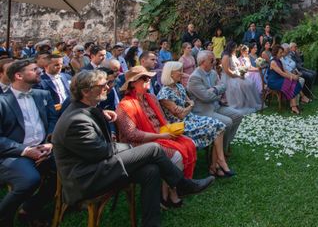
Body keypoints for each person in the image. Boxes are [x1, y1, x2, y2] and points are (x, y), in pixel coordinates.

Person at [52, 70, 214, 227]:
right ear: (86, 92)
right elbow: (101, 152)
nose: (108, 87)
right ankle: (183, 184)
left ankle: (152, 223)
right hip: (87, 179)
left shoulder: (85, 109)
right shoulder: (76, 120)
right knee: (153, 149)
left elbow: (95, 138)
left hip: (100, 168)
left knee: (151, 170)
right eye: (102, 86)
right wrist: (130, 147)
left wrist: (102, 113)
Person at [116, 66, 198, 207]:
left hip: (158, 135)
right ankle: (170, 193)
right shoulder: (124, 106)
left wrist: (170, 131)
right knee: (177, 155)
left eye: (149, 77)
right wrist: (162, 135)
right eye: (144, 78)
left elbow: (162, 121)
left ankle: (167, 192)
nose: (149, 80)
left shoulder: (151, 98)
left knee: (188, 143)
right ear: (133, 83)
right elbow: (132, 135)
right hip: (138, 145)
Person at [0, 60, 57, 226]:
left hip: (44, 148)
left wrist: (49, 143)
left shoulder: (42, 94)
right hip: (14, 153)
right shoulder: (2, 102)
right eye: (33, 69)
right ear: (19, 75)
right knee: (30, 179)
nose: (39, 71)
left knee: (67, 169)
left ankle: (29, 209)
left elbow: (54, 120)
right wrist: (26, 150)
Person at [157, 62, 234, 177]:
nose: (182, 73)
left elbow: (187, 104)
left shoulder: (178, 86)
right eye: (179, 71)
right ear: (170, 73)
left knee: (220, 125)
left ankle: (216, 164)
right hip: (180, 125)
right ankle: (218, 164)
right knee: (217, 127)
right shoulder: (164, 93)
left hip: (191, 118)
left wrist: (188, 107)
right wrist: (190, 106)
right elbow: (182, 115)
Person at [187, 50, 244, 153]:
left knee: (238, 115)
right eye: (211, 60)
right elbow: (206, 97)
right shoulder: (195, 77)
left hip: (216, 106)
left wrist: (214, 90)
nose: (214, 62)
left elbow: (223, 85)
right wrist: (217, 93)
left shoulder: (213, 72)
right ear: (203, 61)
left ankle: (224, 145)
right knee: (227, 122)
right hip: (203, 110)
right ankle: (220, 151)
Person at [220, 41, 262, 114]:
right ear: (231, 47)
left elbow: (238, 66)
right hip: (229, 77)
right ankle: (242, 104)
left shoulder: (233, 55)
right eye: (235, 48)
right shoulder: (226, 56)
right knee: (244, 84)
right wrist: (238, 76)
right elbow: (227, 70)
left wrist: (243, 70)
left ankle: (250, 103)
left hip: (237, 74)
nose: (236, 49)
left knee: (250, 83)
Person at [267, 44, 309, 115]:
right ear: (276, 53)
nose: (282, 54)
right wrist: (292, 77)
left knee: (294, 82)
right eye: (280, 53)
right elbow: (281, 73)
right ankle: (295, 105)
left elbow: (285, 71)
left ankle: (294, 106)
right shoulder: (273, 62)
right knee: (291, 82)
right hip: (273, 82)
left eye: (282, 52)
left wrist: (293, 75)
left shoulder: (279, 60)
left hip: (279, 80)